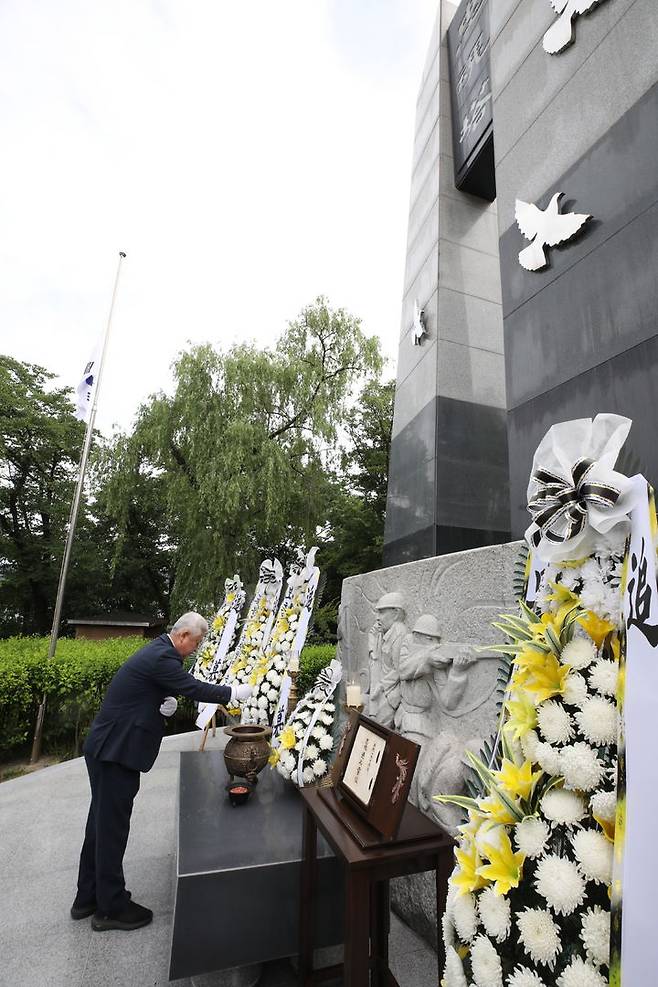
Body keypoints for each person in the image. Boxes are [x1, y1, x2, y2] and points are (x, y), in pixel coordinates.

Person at [71, 611, 253, 932]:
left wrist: (161, 702)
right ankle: (110, 907)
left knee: (100, 824)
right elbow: (194, 689)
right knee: (111, 829)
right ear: (183, 636)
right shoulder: (163, 657)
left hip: (106, 747)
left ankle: (87, 896)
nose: (195, 649)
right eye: (195, 643)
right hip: (116, 752)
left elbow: (150, 691)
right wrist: (234, 693)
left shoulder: (159, 651)